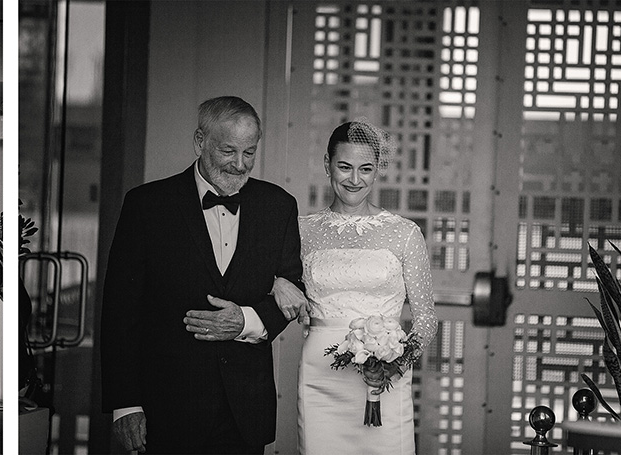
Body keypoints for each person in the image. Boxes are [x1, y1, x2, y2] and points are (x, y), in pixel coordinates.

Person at [100, 96, 304, 454]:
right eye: (228, 151)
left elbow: (292, 292)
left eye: (250, 152)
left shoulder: (279, 206)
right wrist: (126, 404)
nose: (240, 165)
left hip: (245, 412)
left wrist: (245, 321)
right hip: (167, 408)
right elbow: (120, 311)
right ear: (200, 142)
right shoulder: (147, 205)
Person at [275, 119, 438, 454]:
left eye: (365, 169)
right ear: (327, 165)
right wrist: (276, 282)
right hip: (321, 375)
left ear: (377, 169)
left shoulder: (404, 233)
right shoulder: (301, 230)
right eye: (344, 167)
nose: (354, 179)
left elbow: (426, 319)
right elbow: (273, 281)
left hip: (384, 378)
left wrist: (396, 361)